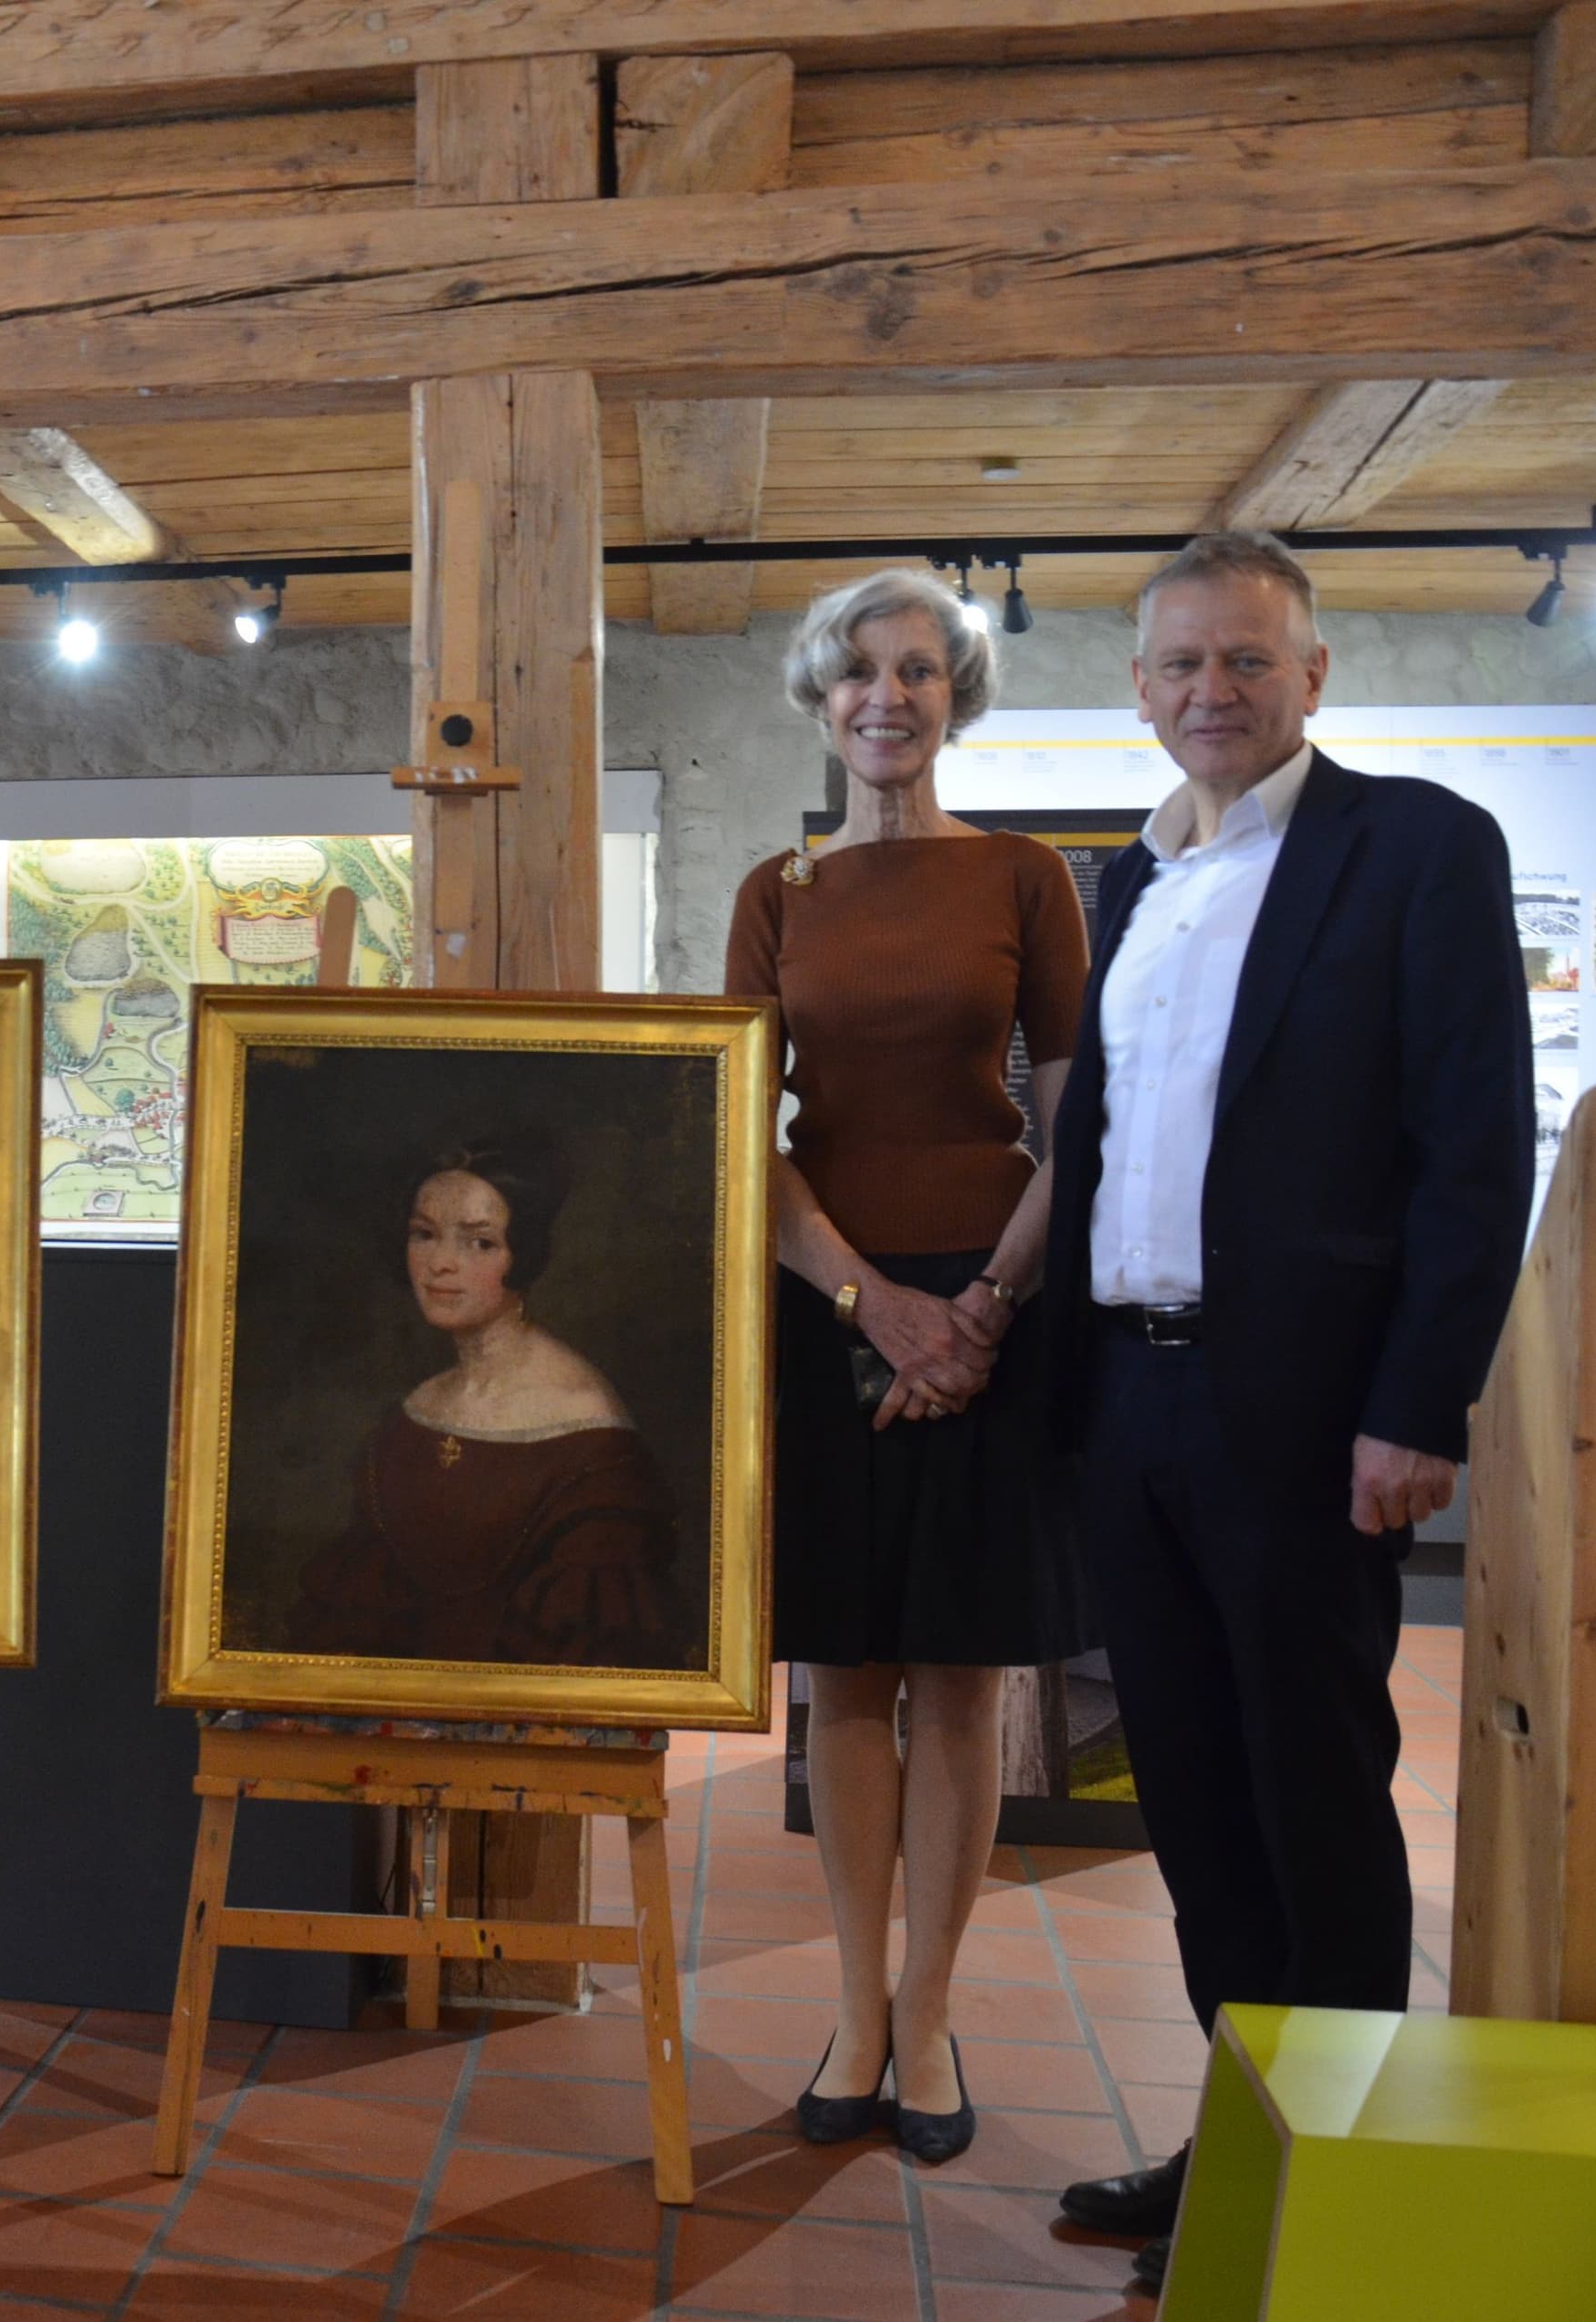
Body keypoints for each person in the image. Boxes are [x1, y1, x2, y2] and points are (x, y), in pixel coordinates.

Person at [1043, 533, 1534, 2293]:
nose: (1214, 691)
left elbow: (1473, 1149)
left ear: (1313, 674)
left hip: (1312, 1417)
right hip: (1132, 1405)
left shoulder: (1415, 848)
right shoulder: (1132, 880)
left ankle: (1348, 2180)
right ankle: (1245, 2142)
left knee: (1315, 1799)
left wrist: (1420, 1403)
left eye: (1249, 659)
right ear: (1139, 687)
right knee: (1190, 1801)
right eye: (1182, 663)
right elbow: (1102, 1148)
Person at [726, 568, 1090, 2168]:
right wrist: (870, 1301)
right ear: (822, 698)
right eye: (859, 671)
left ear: (958, 697)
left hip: (996, 1296)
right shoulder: (778, 888)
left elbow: (1076, 1120)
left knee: (959, 1680)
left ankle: (928, 2014)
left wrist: (985, 1307)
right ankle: (854, 2012)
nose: (889, 696)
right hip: (829, 1304)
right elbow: (743, 1127)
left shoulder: (1025, 876)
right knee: (844, 1680)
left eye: (920, 670)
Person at [287, 1133, 685, 1668]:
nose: (440, 1264)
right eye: (425, 1235)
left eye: (479, 1243)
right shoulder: (417, 1410)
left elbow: (588, 1643)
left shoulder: (588, 1427)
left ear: (525, 1254)